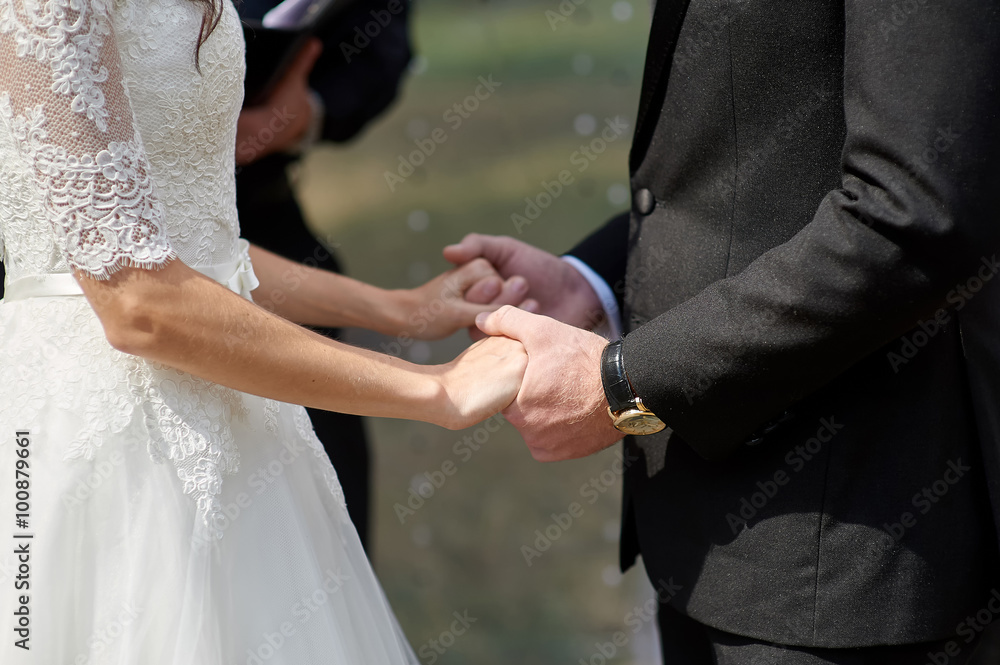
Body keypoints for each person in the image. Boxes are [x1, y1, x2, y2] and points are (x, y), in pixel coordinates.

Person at [447, 0, 1000, 662]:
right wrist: (593, 280)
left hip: (842, 569)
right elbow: (756, 164)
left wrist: (626, 384)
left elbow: (911, 216)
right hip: (704, 547)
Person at [0, 0, 529, 661]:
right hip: (104, 443)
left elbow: (197, 241)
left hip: (245, 427)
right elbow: (135, 298)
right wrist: (436, 390)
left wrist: (395, 308)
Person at [233, 0, 415, 551]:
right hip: (68, 287)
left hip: (267, 233)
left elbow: (379, 37)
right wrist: (435, 389)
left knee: (322, 539)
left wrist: (303, 113)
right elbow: (144, 297)